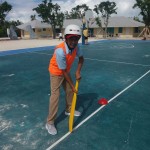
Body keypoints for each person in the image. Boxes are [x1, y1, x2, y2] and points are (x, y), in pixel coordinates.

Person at [46, 24, 84, 135]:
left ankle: (69, 110)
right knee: (55, 96)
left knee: (70, 91)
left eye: (76, 38)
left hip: (65, 70)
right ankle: (50, 122)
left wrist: (77, 71)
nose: (73, 41)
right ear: (66, 38)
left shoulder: (77, 47)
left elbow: (81, 59)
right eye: (71, 38)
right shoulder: (60, 51)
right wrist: (73, 86)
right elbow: (62, 71)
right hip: (56, 72)